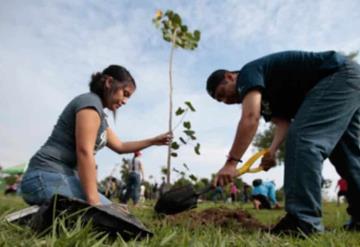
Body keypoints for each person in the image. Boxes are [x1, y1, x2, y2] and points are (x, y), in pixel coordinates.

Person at [206, 50, 360, 235]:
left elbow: (250, 117)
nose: (226, 101)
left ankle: (303, 221)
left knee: (304, 139)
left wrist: (231, 163)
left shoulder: (248, 73)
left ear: (230, 76)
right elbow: (283, 122)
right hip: (349, 80)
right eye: (220, 101)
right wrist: (272, 151)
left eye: (223, 93)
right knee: (348, 155)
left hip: (336, 74)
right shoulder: (268, 97)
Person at [20, 65, 172, 206]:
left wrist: (153, 141)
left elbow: (120, 146)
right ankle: (36, 219)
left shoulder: (100, 117)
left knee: (116, 214)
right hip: (44, 175)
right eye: (124, 94)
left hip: (65, 177)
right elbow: (84, 151)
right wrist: (94, 203)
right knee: (104, 218)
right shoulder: (90, 103)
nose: (125, 101)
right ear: (109, 82)